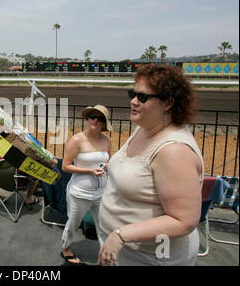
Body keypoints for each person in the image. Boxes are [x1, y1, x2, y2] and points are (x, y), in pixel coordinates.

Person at [98, 64, 203, 266]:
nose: (133, 101)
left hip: (149, 256)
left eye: (143, 97)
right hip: (125, 248)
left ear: (168, 103)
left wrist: (121, 234)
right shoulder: (145, 129)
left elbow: (184, 221)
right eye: (132, 93)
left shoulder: (174, 151)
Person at [60, 104, 113, 264]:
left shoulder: (107, 139)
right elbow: (65, 166)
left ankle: (106, 255)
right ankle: (66, 248)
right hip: (79, 192)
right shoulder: (77, 139)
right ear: (88, 119)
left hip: (101, 192)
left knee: (104, 225)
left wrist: (109, 167)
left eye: (99, 118)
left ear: (104, 123)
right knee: (73, 223)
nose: (95, 120)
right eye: (92, 117)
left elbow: (107, 160)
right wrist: (89, 171)